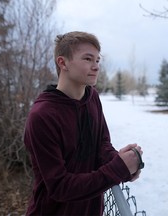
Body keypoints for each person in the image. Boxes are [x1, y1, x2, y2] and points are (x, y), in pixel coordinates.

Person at [24, 31, 143, 216]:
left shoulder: (92, 97)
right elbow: (59, 187)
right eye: (88, 59)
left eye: (97, 60)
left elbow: (101, 144)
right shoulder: (43, 116)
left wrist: (121, 162)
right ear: (62, 63)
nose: (96, 66)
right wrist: (117, 169)